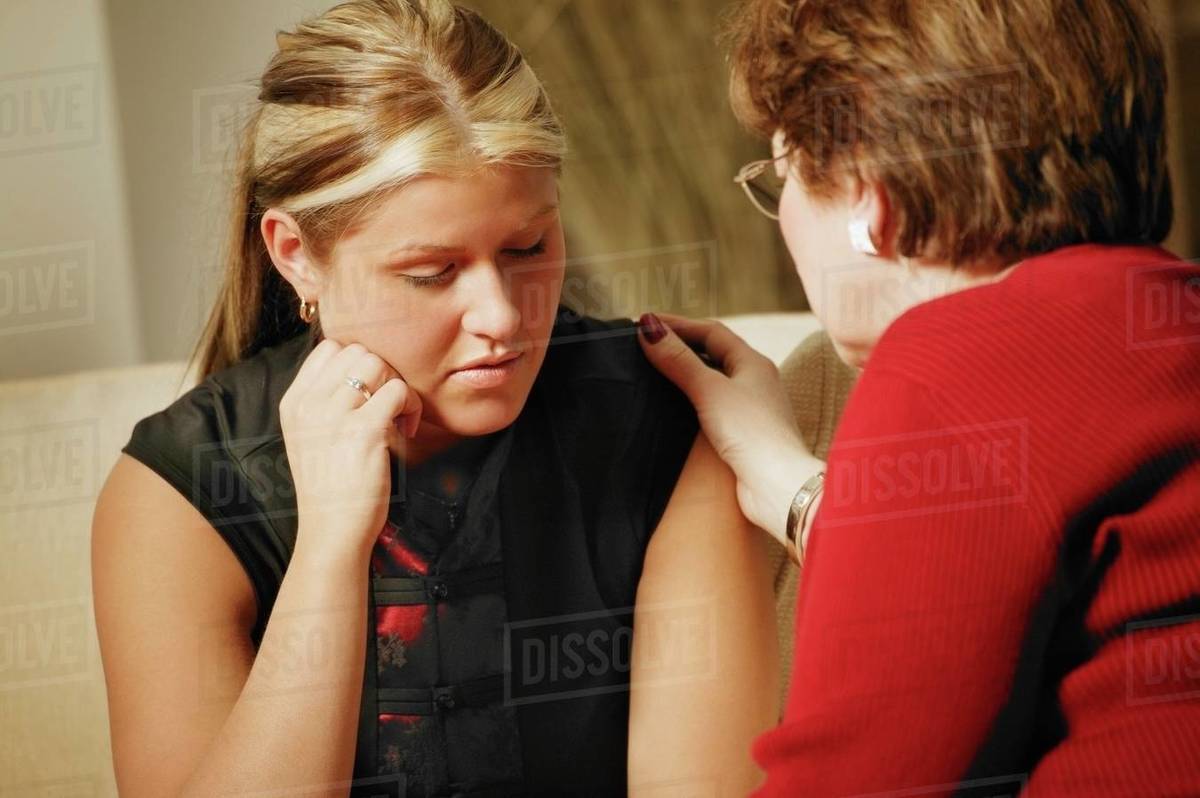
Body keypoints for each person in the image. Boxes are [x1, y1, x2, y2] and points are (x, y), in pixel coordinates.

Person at [90, 2, 779, 796]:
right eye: (431, 272)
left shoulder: (662, 424)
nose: (501, 317)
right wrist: (329, 549)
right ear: (295, 256)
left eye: (529, 248)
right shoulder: (178, 491)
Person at [637, 0, 1200, 794]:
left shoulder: (953, 366)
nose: (782, 216)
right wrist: (798, 492)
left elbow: (857, 780)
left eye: (784, 172)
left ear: (871, 199)